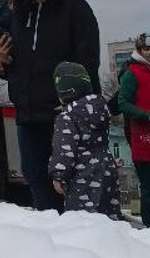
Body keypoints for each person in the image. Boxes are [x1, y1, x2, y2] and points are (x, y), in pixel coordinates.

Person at [0, 0, 100, 212]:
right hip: (28, 112)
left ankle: (81, 234)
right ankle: (50, 232)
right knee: (35, 175)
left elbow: (88, 58)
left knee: (68, 178)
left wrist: (83, 104)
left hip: (65, 113)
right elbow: (20, 65)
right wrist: (4, 62)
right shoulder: (19, 14)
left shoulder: (73, 6)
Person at [48, 63, 122, 220]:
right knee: (110, 216)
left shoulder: (67, 117)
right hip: (108, 170)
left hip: (83, 177)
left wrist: (58, 175)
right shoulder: (101, 109)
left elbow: (64, 150)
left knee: (82, 221)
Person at [117, 32, 150, 220]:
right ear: (139, 50)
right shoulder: (133, 73)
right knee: (148, 189)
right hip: (143, 142)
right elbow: (123, 104)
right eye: (147, 48)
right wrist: (147, 115)